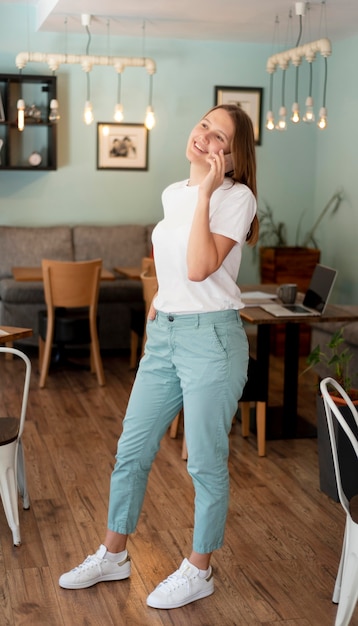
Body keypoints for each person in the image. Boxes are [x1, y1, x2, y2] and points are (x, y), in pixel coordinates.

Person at [59, 103, 259, 609]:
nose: (205, 135)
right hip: (165, 336)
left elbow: (199, 268)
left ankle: (200, 568)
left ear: (232, 157)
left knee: (205, 463)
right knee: (132, 450)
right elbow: (175, 267)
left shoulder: (236, 197)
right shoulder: (174, 193)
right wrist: (160, 296)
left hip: (212, 342)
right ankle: (113, 554)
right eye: (204, 124)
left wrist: (208, 193)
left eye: (220, 136)